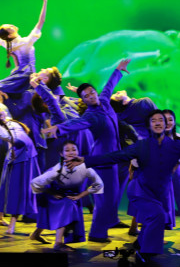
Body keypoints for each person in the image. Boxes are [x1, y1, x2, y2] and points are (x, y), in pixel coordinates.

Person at [65, 111, 180, 262]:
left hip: (157, 194)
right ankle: (146, 256)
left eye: (161, 120)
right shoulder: (141, 146)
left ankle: (135, 247)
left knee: (154, 220)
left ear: (166, 124)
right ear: (149, 125)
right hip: (139, 190)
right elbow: (114, 156)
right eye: (153, 120)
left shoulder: (175, 146)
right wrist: (85, 160)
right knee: (158, 216)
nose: (157, 123)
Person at [42, 58, 132, 243]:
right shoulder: (90, 115)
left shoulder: (104, 101)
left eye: (92, 92)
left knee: (112, 196)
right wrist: (57, 128)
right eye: (87, 96)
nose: (91, 96)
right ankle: (97, 233)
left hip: (114, 157)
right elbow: (76, 123)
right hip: (102, 160)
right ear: (83, 100)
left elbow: (108, 86)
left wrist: (118, 69)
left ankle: (106, 225)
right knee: (104, 198)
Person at [0, 96, 39, 234]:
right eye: (0, 112)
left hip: (29, 154)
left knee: (26, 189)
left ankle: (13, 223)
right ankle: (8, 223)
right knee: (14, 190)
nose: (3, 112)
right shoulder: (0, 128)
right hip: (18, 158)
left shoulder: (12, 122)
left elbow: (14, 139)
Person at [30, 140, 103, 252]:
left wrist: (81, 195)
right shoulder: (57, 169)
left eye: (74, 149)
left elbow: (99, 184)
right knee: (67, 205)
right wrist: (51, 193)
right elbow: (35, 182)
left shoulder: (85, 167)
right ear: (61, 153)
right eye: (67, 150)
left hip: (70, 195)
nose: (71, 152)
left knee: (68, 203)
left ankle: (36, 234)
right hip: (54, 195)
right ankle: (58, 243)